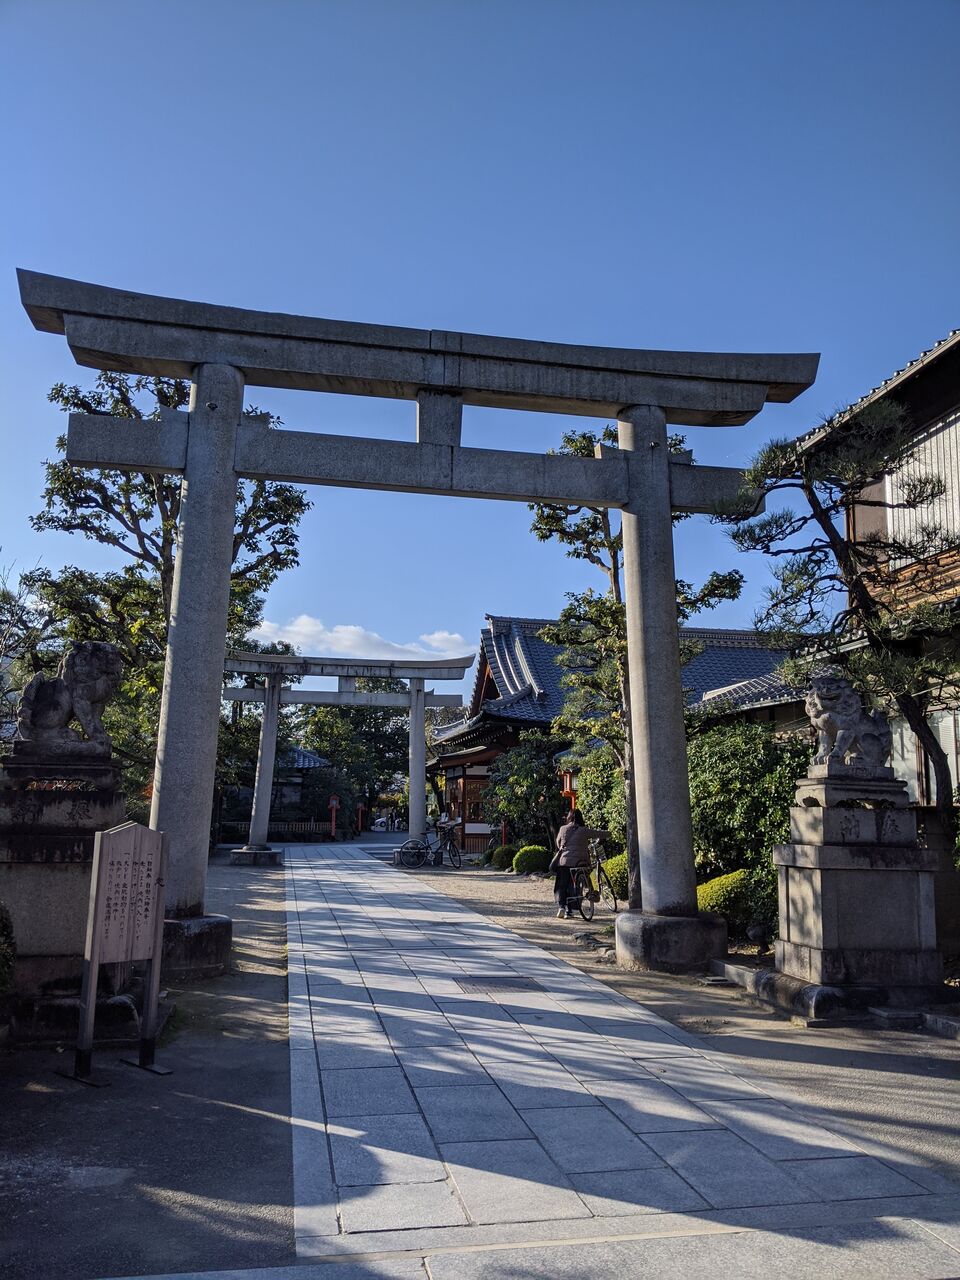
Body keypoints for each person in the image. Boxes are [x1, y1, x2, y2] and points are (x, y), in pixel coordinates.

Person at [553, 808, 608, 919]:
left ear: (569, 817)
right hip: (580, 862)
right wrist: (609, 832)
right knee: (576, 885)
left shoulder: (563, 829)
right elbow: (600, 834)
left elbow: (558, 843)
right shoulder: (584, 830)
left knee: (561, 885)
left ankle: (561, 907)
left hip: (564, 862)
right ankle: (570, 911)